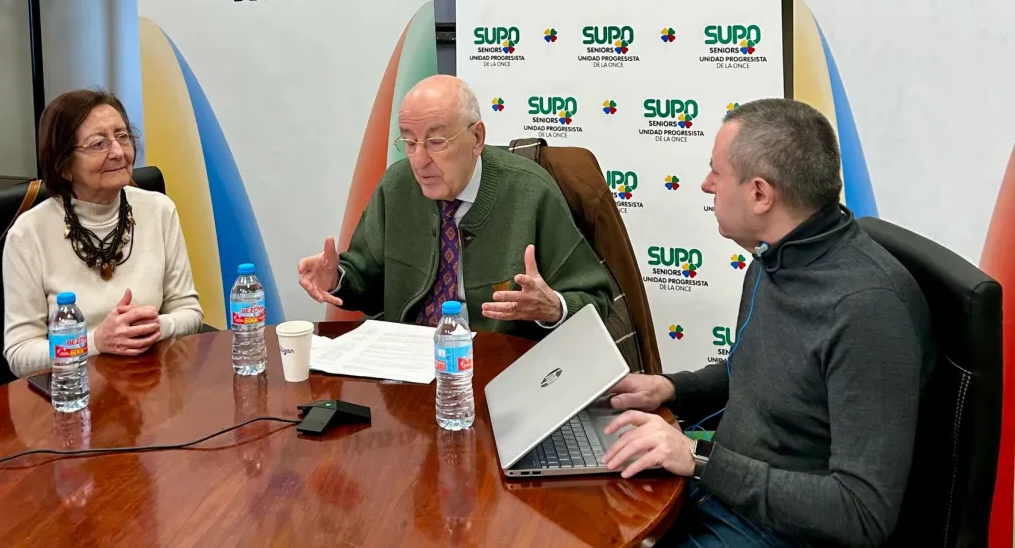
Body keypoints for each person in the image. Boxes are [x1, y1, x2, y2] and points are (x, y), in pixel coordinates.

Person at [600, 99, 933, 547]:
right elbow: (763, 374)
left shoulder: (867, 310)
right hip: (716, 495)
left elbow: (862, 513)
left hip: (774, 532)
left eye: (716, 172)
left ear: (760, 194)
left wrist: (699, 460)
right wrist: (671, 388)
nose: (705, 184)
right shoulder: (771, 259)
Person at [297, 75, 613, 335]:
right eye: (409, 142)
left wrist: (553, 307)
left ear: (476, 138)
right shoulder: (397, 186)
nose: (419, 161)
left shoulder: (531, 191)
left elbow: (596, 300)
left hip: (499, 367)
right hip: (406, 367)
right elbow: (367, 285)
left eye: (436, 142)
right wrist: (336, 279)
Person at [3, 89, 204, 377]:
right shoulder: (28, 234)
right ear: (65, 166)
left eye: (122, 136)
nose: (119, 152)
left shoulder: (159, 210)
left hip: (150, 386)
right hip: (71, 393)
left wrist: (158, 327)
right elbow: (20, 354)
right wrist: (95, 342)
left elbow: (190, 311)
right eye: (99, 144)